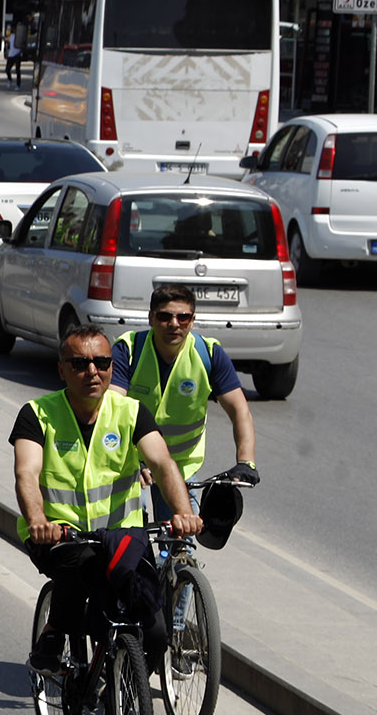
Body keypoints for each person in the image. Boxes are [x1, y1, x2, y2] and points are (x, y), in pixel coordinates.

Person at [15, 324, 201, 677]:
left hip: (124, 538)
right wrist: (39, 520)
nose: (92, 372)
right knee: (79, 569)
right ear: (62, 369)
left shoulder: (131, 413)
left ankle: (126, 689)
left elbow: (162, 463)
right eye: (80, 364)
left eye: (101, 363)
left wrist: (183, 512)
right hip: (62, 536)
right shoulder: (37, 414)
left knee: (156, 631)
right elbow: (26, 473)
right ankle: (55, 634)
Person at [109, 283, 257, 518]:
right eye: (165, 316)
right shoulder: (129, 350)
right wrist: (121, 459)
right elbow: (111, 409)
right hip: (132, 463)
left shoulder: (207, 353)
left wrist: (245, 461)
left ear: (192, 319)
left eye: (183, 317)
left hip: (180, 467)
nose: (174, 324)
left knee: (181, 540)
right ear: (151, 318)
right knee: (133, 534)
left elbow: (240, 410)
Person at [3, 18, 25, 86]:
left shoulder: (20, 37)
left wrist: (20, 52)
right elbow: (6, 39)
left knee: (17, 70)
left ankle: (18, 85)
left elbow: (23, 45)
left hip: (17, 55)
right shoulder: (11, 36)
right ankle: (10, 80)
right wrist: (1, 36)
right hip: (11, 55)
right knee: (7, 70)